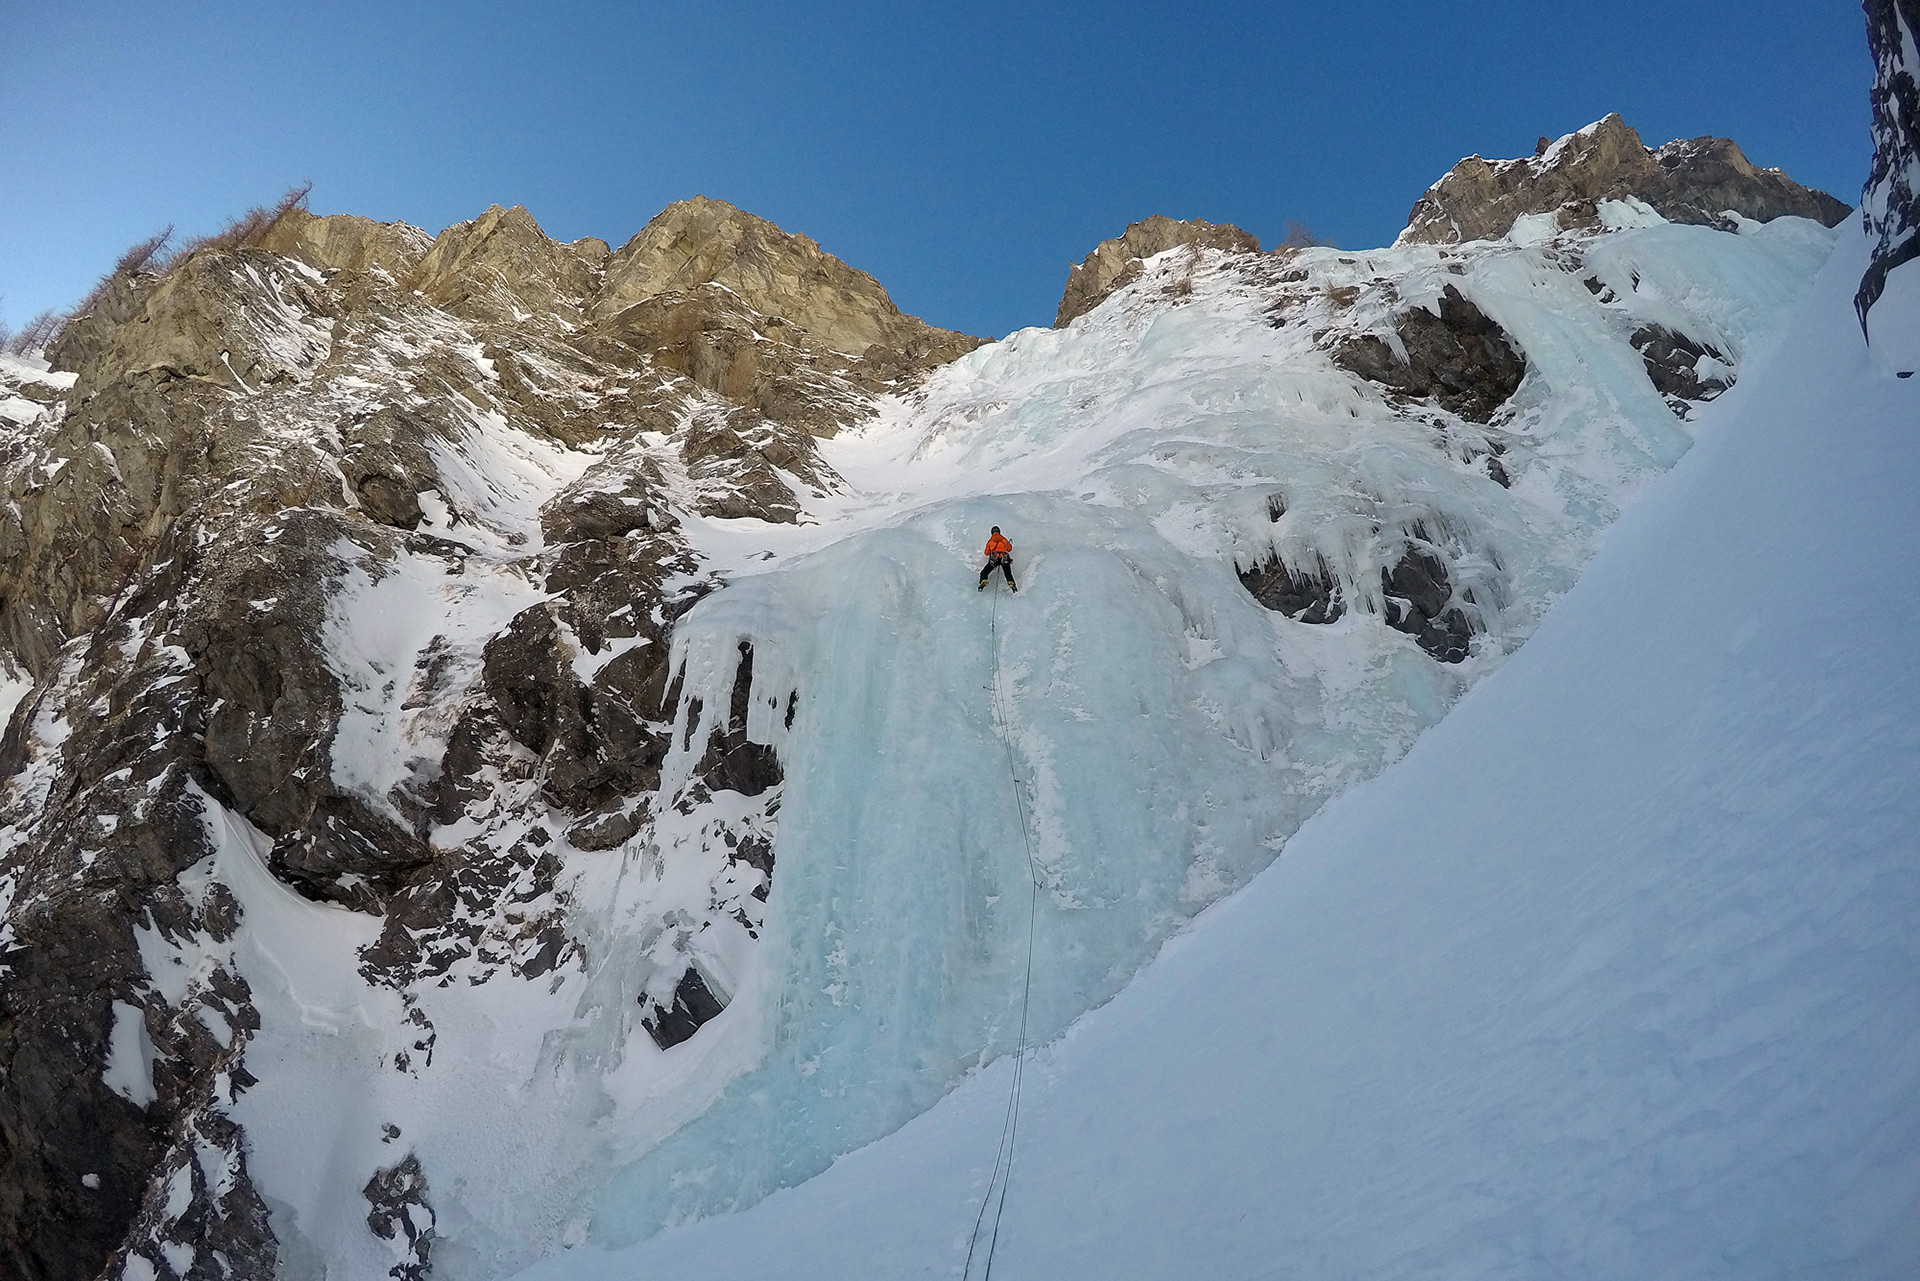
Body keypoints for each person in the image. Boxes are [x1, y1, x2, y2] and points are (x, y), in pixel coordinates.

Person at [978, 526, 1017, 591]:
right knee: (1007, 573)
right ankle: (1011, 583)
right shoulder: (1003, 540)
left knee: (984, 572)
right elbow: (1009, 549)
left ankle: (984, 580)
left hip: (994, 559)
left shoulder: (990, 541)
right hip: (1004, 558)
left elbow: (986, 553)